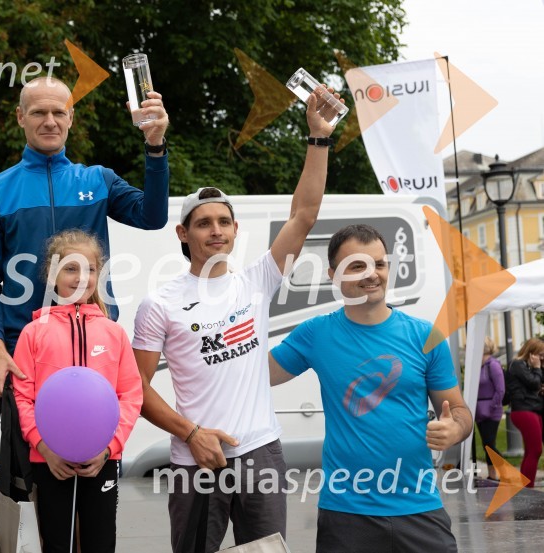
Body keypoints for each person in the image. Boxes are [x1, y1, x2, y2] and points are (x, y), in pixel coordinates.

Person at [132, 90, 338, 552]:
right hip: (196, 458)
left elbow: (304, 215)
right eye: (203, 223)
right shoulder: (159, 303)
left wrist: (318, 139)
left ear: (235, 230)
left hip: (261, 452)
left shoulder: (256, 281)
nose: (216, 230)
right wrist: (191, 434)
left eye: (224, 221)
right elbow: (135, 389)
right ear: (183, 233)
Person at [268, 224, 473, 553]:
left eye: (379, 264)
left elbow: (460, 411)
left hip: (419, 507)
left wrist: (455, 429)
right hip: (346, 514)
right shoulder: (316, 334)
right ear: (333, 275)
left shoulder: (426, 336)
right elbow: (253, 375)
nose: (372, 274)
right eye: (357, 266)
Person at [0, 75, 170, 397]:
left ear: (71, 118)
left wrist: (155, 146)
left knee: (101, 433)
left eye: (59, 112)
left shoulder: (97, 180)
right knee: (30, 434)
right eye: (39, 112)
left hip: (94, 347)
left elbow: (153, 218)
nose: (50, 121)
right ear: (20, 117)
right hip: (25, 353)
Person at [12, 229, 142, 553]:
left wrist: (109, 448)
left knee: (101, 542)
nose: (81, 277)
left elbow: (130, 395)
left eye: (90, 269)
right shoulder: (33, 333)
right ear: (52, 275)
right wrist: (43, 447)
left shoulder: (114, 333)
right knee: (58, 543)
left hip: (102, 459)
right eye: (70, 268)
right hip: (49, 461)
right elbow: (22, 396)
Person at [506, 337, 544, 488]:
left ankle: (526, 486)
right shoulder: (517, 364)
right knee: (535, 450)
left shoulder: (530, 366)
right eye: (540, 354)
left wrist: (539, 368)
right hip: (524, 411)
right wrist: (537, 368)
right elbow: (534, 383)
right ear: (531, 352)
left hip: (533, 410)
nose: (542, 357)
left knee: (531, 450)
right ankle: (528, 487)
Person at [475, 336, 504, 481]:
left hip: (491, 411)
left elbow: (500, 390)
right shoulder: (478, 366)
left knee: (489, 443)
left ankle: (503, 471)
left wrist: (492, 407)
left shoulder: (493, 365)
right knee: (486, 444)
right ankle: (492, 474)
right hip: (479, 411)